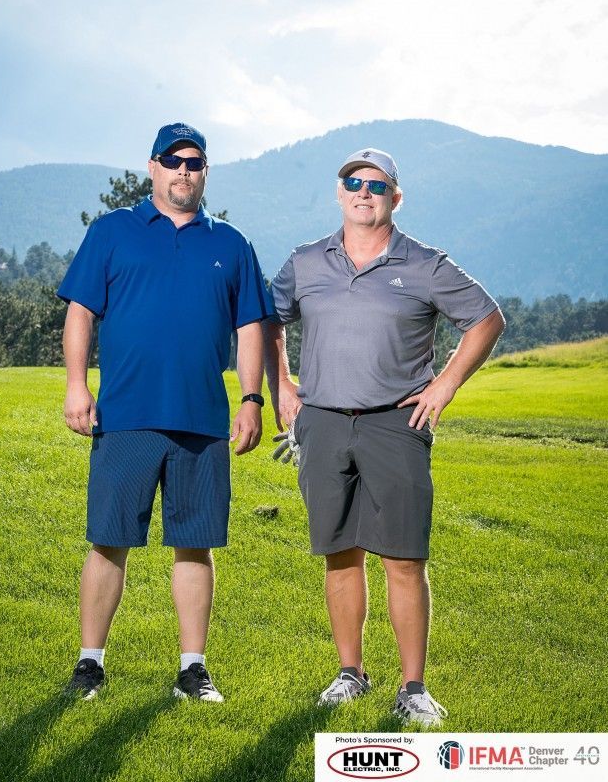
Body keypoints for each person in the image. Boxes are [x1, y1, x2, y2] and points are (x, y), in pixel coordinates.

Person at [264, 147, 505, 725]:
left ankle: (413, 687)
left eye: (377, 184)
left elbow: (487, 317)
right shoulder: (305, 262)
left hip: (396, 425)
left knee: (403, 557)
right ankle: (350, 673)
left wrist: (443, 386)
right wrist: (283, 385)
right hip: (321, 423)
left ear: (395, 197)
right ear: (340, 191)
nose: (364, 191)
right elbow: (267, 320)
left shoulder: (424, 263)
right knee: (339, 556)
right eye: (354, 182)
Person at [58, 122, 274, 702]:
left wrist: (252, 399)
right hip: (125, 414)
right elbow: (81, 313)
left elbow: (250, 326)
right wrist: (77, 386)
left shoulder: (232, 244)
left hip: (202, 420)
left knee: (195, 544)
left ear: (206, 172)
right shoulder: (111, 232)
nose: (184, 170)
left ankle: (192, 669)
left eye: (195, 162)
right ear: (152, 167)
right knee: (108, 540)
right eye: (172, 160)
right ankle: (90, 663)